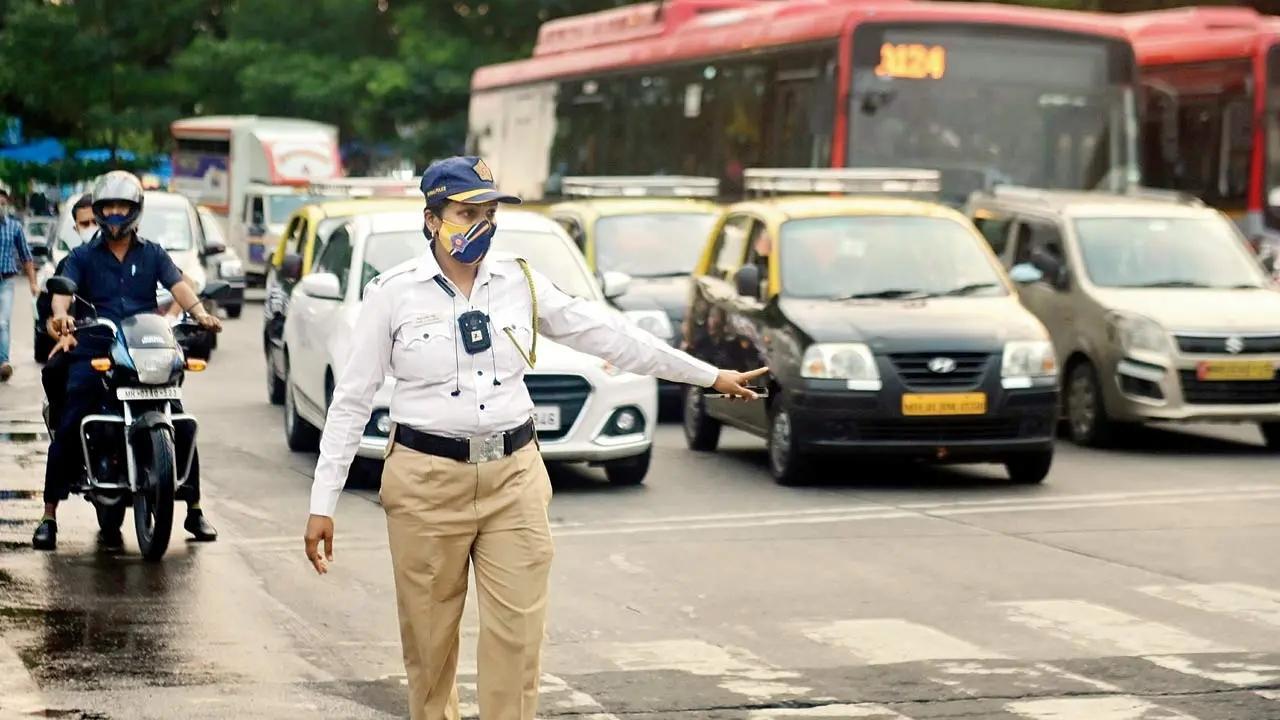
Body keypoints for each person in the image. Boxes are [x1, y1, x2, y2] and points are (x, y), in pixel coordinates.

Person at [303, 156, 767, 720]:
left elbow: (611, 337)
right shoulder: (392, 294)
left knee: (518, 640)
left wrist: (708, 375)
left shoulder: (519, 281)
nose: (481, 224)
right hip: (425, 482)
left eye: (489, 211)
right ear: (432, 220)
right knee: (429, 647)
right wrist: (322, 503)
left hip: (514, 477)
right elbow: (351, 401)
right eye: (465, 212)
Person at [33, 171, 222, 552]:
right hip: (97, 349)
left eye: (123, 207)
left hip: (143, 349)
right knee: (71, 423)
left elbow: (179, 286)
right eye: (109, 207)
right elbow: (61, 295)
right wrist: (62, 318)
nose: (116, 214)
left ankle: (194, 509)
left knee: (179, 421)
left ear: (135, 210)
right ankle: (49, 515)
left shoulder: (153, 253)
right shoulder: (82, 256)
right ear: (99, 212)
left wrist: (200, 313)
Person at [0, 188, 38, 382]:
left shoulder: (14, 228)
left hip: (6, 281)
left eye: (2, 204)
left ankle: (3, 363)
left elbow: (26, 256)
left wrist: (33, 282)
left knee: (2, 322)